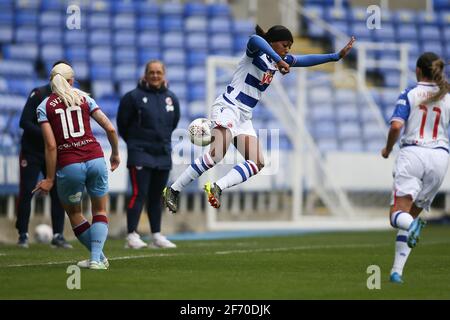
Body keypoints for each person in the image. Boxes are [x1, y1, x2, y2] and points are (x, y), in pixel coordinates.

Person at [162, 25, 355, 212]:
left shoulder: (280, 59)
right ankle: (173, 189)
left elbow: (306, 60)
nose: (287, 49)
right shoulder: (255, 52)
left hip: (244, 116)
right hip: (229, 106)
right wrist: (278, 59)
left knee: (258, 162)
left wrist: (335, 57)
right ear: (271, 42)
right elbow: (255, 39)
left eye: (289, 46)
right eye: (284, 44)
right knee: (218, 153)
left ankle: (217, 187)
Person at [33, 63, 120, 270]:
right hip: (95, 159)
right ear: (71, 80)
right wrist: (115, 153)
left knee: (74, 213)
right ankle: (97, 258)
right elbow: (109, 127)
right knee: (99, 209)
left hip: (69, 165)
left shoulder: (44, 106)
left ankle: (97, 258)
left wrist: (50, 179)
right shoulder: (84, 98)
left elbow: (51, 145)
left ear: (51, 82)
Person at [381, 52, 450, 284]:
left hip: (413, 154)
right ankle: (396, 271)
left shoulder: (410, 93)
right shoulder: (447, 95)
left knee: (397, 217)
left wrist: (388, 149)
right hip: (440, 159)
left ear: (418, 70)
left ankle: (413, 225)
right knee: (409, 214)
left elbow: (396, 126)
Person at [117, 60, 180, 249]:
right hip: (140, 153)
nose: (155, 76)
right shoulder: (133, 97)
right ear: (145, 74)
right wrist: (137, 143)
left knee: (156, 196)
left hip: (162, 153)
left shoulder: (171, 98)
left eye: (158, 72)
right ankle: (131, 235)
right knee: (139, 193)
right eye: (151, 72)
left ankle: (156, 235)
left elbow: (173, 123)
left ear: (164, 74)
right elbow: (123, 125)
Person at [15, 60, 72, 249]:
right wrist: (48, 135)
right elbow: (24, 122)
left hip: (55, 153)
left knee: (58, 193)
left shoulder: (70, 97)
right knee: (27, 191)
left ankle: (58, 235)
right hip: (32, 151)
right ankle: (22, 234)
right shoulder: (39, 94)